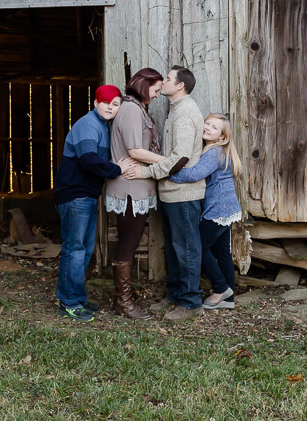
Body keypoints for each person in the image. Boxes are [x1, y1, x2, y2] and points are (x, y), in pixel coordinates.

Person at [125, 65, 204, 321]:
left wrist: (146, 173)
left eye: (168, 79)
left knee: (186, 249)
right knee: (173, 247)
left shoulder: (185, 113)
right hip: (171, 193)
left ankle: (190, 302)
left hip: (184, 194)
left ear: (180, 85)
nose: (164, 82)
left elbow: (180, 157)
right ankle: (175, 295)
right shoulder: (176, 111)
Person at [53, 85, 130, 322]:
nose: (110, 107)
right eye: (106, 102)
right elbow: (88, 160)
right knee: (75, 250)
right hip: (75, 195)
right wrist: (117, 169)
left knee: (84, 250)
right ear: (96, 102)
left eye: (115, 104)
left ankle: (76, 297)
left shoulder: (101, 126)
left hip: (85, 196)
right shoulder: (88, 124)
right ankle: (68, 303)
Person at [103, 68, 165, 319]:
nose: (158, 95)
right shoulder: (130, 109)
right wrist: (170, 161)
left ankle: (124, 299)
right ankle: (123, 303)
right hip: (129, 188)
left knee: (130, 240)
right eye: (156, 89)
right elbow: (135, 150)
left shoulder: (137, 109)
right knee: (128, 244)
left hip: (138, 188)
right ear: (144, 84)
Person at [168, 114, 243, 309]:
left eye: (214, 127)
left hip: (218, 209)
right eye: (207, 123)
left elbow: (195, 174)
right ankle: (228, 298)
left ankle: (220, 288)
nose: (208, 127)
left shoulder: (213, 152)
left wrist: (169, 172)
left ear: (222, 136)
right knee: (222, 252)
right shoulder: (220, 151)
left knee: (198, 247)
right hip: (228, 207)